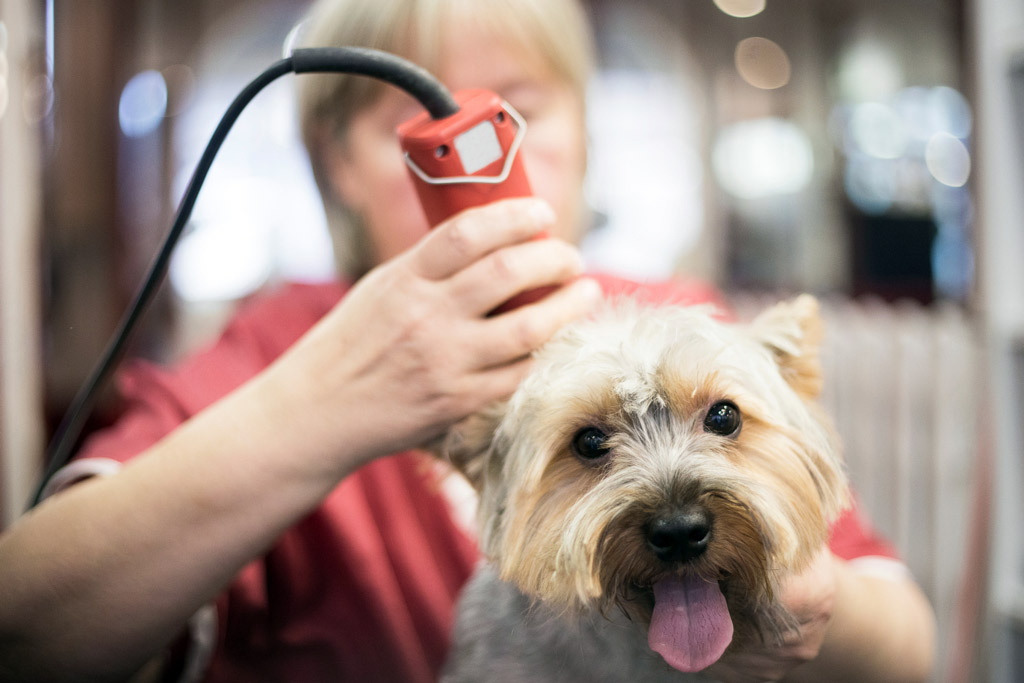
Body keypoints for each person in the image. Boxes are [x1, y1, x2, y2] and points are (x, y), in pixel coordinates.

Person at [0, 0, 935, 681]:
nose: (482, 164)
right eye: (424, 133)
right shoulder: (276, 351)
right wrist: (317, 409)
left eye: (519, 115)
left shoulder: (684, 323)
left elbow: (908, 649)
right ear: (335, 163)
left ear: (585, 130)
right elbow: (27, 632)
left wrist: (807, 610)